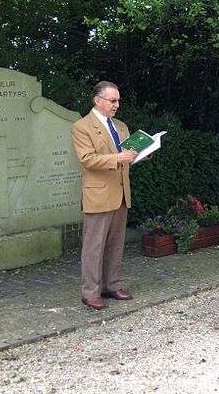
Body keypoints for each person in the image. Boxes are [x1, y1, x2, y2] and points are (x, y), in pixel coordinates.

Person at [71, 81, 146, 310]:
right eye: (113, 100)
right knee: (94, 246)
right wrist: (118, 159)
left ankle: (110, 285)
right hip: (99, 195)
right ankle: (90, 292)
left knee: (115, 244)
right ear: (98, 100)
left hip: (121, 192)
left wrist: (143, 153)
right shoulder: (82, 127)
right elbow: (88, 160)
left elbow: (128, 154)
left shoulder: (121, 126)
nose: (117, 105)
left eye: (118, 100)